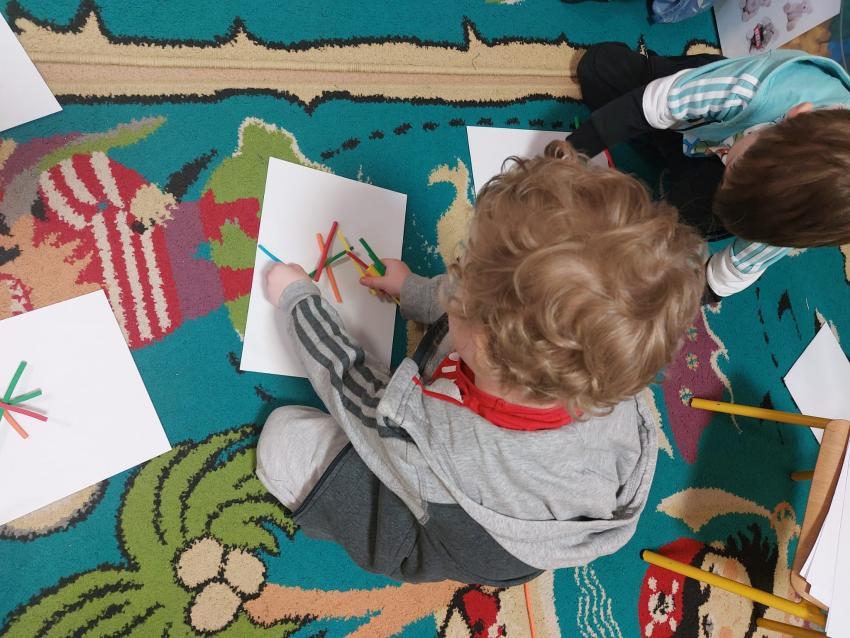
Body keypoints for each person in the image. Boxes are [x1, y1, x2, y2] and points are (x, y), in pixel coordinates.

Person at [255, 149, 705, 584]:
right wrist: (412, 290)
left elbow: (355, 392)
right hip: (524, 517)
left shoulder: (443, 440)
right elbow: (482, 304)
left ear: (486, 346)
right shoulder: (603, 362)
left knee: (284, 442)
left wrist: (299, 301)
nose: (453, 277)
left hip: (450, 523)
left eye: (461, 273)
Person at [567, 42, 850, 300]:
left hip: (712, 155)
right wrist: (569, 154)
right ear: (793, 117)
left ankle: (670, 154)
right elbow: (655, 102)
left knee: (682, 223)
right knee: (598, 68)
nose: (728, 171)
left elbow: (723, 278)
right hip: (707, 104)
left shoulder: (797, 217)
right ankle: (667, 143)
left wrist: (666, 304)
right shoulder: (751, 88)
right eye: (734, 169)